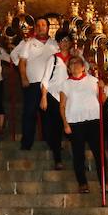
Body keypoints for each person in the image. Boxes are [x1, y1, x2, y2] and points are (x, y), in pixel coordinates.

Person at [60, 55, 108, 194]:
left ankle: (105, 182)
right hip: (75, 122)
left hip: (93, 121)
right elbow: (62, 106)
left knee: (100, 153)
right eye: (71, 64)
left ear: (83, 66)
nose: (75, 66)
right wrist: (65, 124)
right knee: (78, 154)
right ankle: (82, 183)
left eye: (77, 63)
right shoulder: (65, 84)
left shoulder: (93, 80)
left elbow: (101, 101)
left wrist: (102, 88)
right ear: (68, 68)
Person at [18, 17, 59, 152]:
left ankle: (52, 143)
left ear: (48, 28)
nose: (41, 27)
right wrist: (24, 78)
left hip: (51, 86)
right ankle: (26, 144)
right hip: (33, 84)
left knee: (51, 116)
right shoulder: (28, 43)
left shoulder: (55, 44)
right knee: (29, 114)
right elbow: (22, 62)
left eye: (44, 25)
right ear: (35, 27)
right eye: (39, 25)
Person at [39, 30, 74, 169]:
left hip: (70, 98)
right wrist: (43, 97)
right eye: (61, 41)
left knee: (71, 128)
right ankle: (57, 159)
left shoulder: (74, 59)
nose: (64, 43)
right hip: (54, 97)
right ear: (58, 43)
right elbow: (45, 80)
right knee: (56, 129)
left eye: (67, 40)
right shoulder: (53, 59)